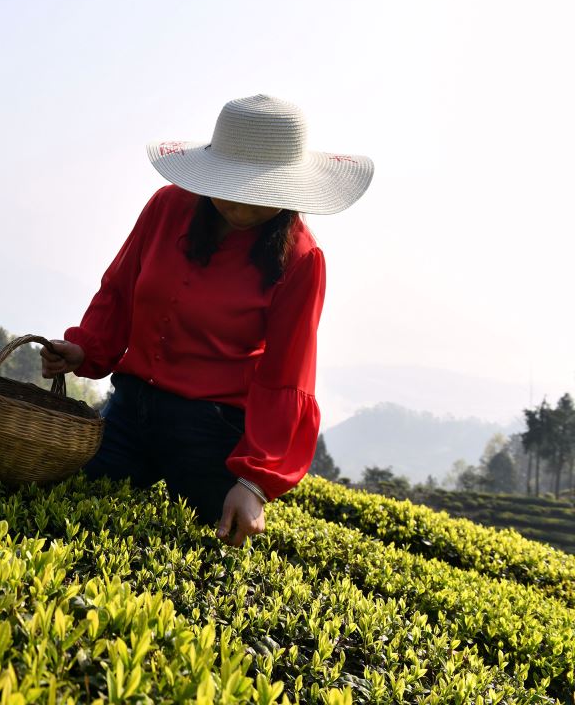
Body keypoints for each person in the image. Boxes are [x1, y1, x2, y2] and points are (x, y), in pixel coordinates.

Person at [41, 95, 374, 546]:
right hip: (129, 410)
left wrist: (255, 482)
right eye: (231, 190)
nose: (240, 208)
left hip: (210, 429)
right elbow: (121, 290)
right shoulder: (166, 207)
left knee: (210, 550)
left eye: (260, 196)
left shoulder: (301, 259)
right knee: (60, 510)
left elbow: (287, 375)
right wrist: (87, 348)